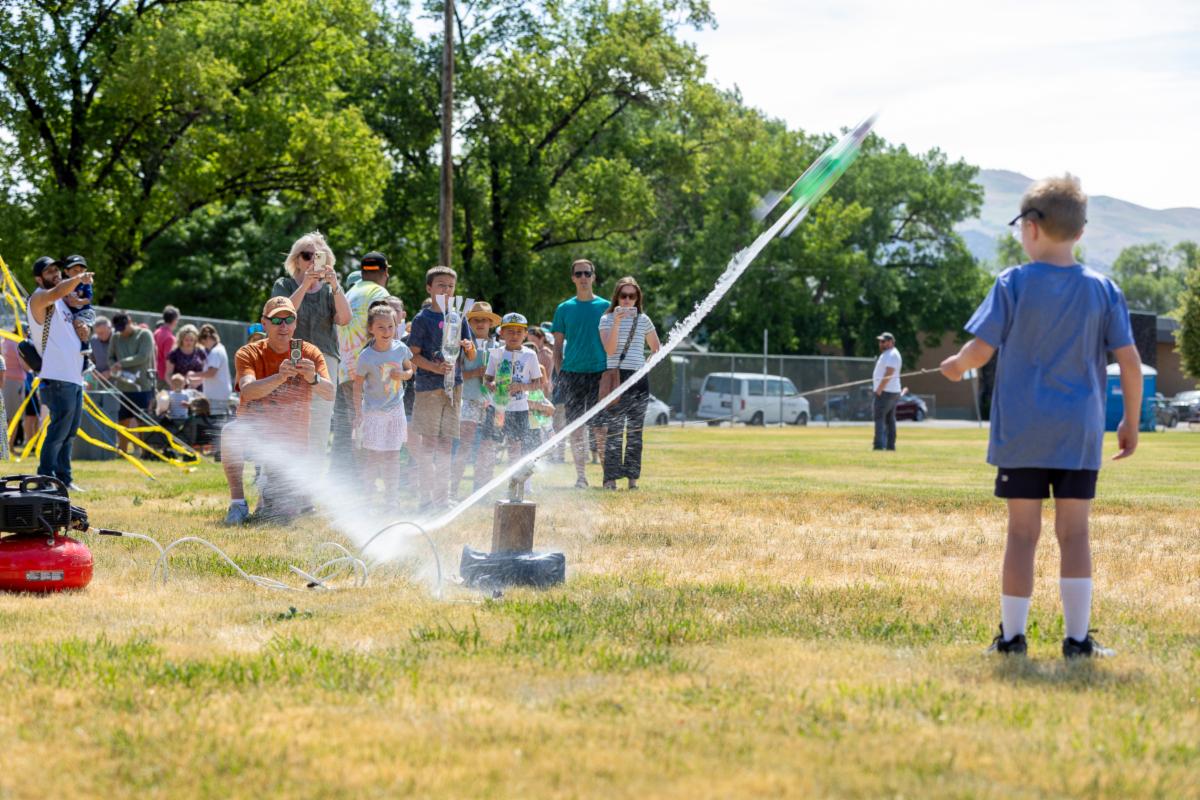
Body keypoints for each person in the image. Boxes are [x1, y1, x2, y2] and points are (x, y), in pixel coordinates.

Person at [939, 174, 1141, 659]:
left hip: (1023, 435)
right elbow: (1129, 362)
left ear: (1031, 227)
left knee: (1022, 534)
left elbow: (980, 350)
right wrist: (1130, 422)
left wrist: (956, 366)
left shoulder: (1012, 282)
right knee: (1074, 535)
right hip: (1078, 435)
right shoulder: (1103, 288)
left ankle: (1011, 639)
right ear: (1080, 231)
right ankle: (1077, 640)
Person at [222, 297, 334, 525]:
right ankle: (238, 503)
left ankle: (268, 498)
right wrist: (279, 377)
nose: (283, 326)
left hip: (288, 442)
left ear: (295, 323)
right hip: (254, 432)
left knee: (279, 517)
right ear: (264, 324)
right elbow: (248, 390)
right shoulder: (248, 353)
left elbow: (330, 393)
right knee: (229, 433)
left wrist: (313, 378)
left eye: (288, 319)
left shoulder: (310, 352)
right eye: (276, 320)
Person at [273, 231, 350, 456]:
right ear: (296, 259)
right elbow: (284, 314)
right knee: (288, 418)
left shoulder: (330, 290)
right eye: (308, 256)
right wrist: (305, 284)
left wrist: (335, 284)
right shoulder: (284, 284)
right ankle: (281, 479)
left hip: (324, 360)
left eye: (319, 256)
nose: (312, 261)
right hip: (290, 356)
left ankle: (312, 479)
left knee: (319, 422)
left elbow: (344, 319)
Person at [407, 266, 476, 509]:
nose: (446, 290)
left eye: (450, 286)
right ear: (429, 288)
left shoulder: (459, 317)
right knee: (429, 443)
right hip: (428, 389)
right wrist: (434, 368)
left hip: (453, 388)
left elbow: (471, 353)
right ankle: (426, 498)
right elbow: (413, 355)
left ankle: (442, 497)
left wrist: (468, 346)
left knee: (447, 442)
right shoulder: (422, 319)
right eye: (441, 285)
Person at [26, 256, 92, 489]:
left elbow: (73, 330)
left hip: (74, 377)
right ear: (38, 278)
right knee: (58, 431)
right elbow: (55, 292)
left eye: (56, 269)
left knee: (69, 433)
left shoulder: (65, 302)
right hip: (56, 377)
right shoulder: (39, 297)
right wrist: (77, 279)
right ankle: (45, 479)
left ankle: (65, 479)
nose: (55, 273)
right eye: (48, 271)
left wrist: (84, 331)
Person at [552, 259, 611, 488]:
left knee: (601, 428)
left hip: (600, 374)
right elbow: (557, 347)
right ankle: (581, 477)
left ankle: (608, 478)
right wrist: (561, 374)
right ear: (573, 278)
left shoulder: (606, 306)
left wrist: (611, 372)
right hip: (572, 374)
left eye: (587, 273)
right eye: (579, 274)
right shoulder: (564, 308)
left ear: (594, 277)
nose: (583, 277)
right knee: (576, 429)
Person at [598, 277, 661, 490]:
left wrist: (646, 367)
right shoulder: (606, 319)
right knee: (614, 430)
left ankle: (633, 478)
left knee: (635, 430)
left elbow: (656, 348)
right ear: (616, 297)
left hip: (638, 378)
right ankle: (610, 478)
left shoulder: (644, 320)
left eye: (631, 296)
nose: (626, 300)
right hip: (617, 377)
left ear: (637, 299)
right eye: (623, 296)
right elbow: (610, 349)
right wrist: (617, 321)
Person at [332, 251, 391, 476]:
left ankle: (356, 480)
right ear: (385, 272)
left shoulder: (350, 292)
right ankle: (367, 482)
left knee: (358, 427)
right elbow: (383, 326)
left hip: (346, 371)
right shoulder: (379, 292)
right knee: (373, 428)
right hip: (369, 369)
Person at [353, 305, 414, 500]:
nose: (387, 331)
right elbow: (357, 386)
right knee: (373, 457)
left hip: (396, 409)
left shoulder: (401, 348)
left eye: (390, 326)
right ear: (371, 328)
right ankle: (367, 499)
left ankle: (391, 500)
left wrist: (403, 375)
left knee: (392, 456)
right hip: (373, 411)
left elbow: (410, 370)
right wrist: (358, 413)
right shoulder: (366, 356)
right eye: (381, 327)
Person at [483, 313, 545, 481]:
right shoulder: (496, 353)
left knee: (515, 446)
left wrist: (521, 387)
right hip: (498, 409)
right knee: (490, 444)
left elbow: (538, 383)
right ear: (501, 333)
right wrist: (493, 385)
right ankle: (484, 484)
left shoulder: (530, 355)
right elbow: (487, 379)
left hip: (519, 408)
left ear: (525, 334)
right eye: (510, 331)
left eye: (519, 332)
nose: (515, 335)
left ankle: (514, 483)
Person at [108, 312, 158, 452]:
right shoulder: (116, 337)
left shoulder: (145, 335)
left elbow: (143, 356)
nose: (121, 332)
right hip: (123, 387)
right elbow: (110, 357)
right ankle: (122, 451)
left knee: (142, 420)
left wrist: (121, 363)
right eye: (118, 329)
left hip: (142, 387)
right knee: (122, 420)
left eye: (123, 328)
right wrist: (114, 366)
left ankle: (144, 450)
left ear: (130, 321)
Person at [60, 254, 95, 367]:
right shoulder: (63, 284)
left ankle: (86, 345)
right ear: (66, 271)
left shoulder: (85, 283)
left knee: (79, 325)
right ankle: (84, 361)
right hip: (72, 314)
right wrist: (67, 300)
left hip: (84, 312)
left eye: (81, 270)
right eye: (75, 270)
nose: (79, 273)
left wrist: (78, 302)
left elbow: (89, 299)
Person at [871, 332, 902, 451]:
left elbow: (889, 373)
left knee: (879, 418)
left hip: (886, 392)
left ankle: (878, 445)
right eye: (880, 341)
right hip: (890, 391)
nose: (880, 343)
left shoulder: (892, 354)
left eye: (883, 341)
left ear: (890, 342)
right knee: (889, 419)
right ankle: (890, 446)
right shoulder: (888, 354)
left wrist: (879, 389)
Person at [195, 324, 233, 418]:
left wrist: (193, 375)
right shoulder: (219, 349)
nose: (204, 347)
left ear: (207, 338)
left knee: (216, 423)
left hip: (217, 397)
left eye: (203, 343)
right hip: (217, 395)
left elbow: (211, 373)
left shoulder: (216, 351)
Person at [166, 324, 206, 388]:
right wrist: (175, 386)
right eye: (186, 340)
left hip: (198, 388)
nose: (189, 342)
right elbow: (168, 374)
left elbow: (206, 372)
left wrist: (200, 382)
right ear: (181, 339)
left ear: (195, 340)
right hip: (180, 389)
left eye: (191, 340)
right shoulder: (174, 353)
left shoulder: (200, 352)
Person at [154, 306, 180, 389]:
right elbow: (168, 359)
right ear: (174, 320)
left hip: (156, 372)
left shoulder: (157, 332)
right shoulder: (170, 338)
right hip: (164, 377)